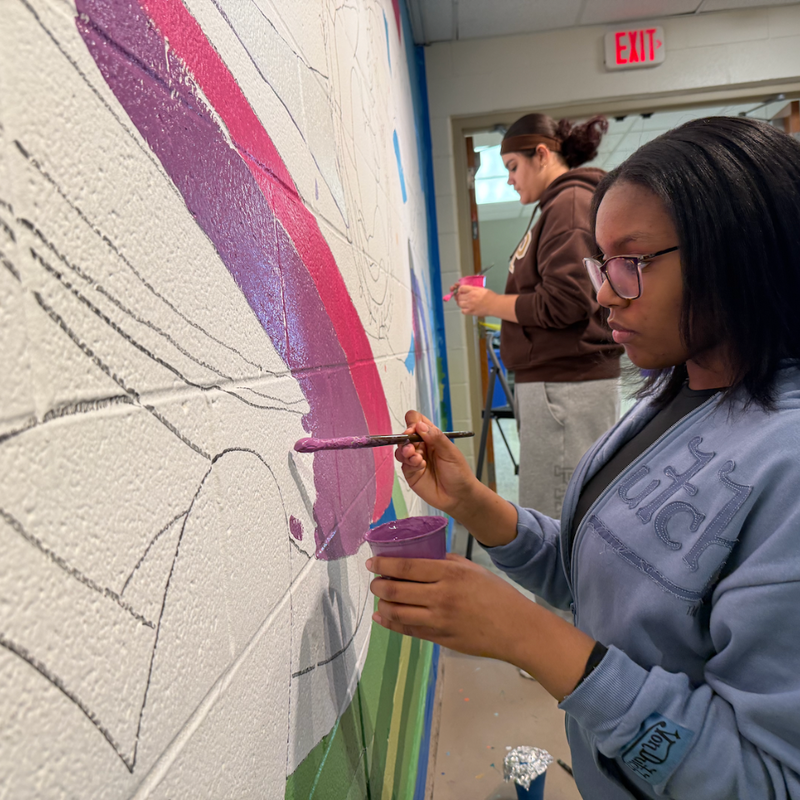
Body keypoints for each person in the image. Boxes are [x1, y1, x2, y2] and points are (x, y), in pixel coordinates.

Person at [369, 117, 800, 799]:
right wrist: (475, 504)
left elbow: (764, 781)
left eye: (634, 263)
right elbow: (601, 576)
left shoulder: (787, 469)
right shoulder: (676, 394)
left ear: (739, 252)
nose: (602, 294)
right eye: (603, 265)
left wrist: (531, 637)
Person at [451, 113, 622, 518]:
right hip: (558, 384)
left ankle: (566, 586)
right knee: (557, 506)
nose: (510, 179)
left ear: (541, 155)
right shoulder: (559, 206)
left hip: (565, 388)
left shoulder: (570, 205)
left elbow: (566, 302)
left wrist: (489, 303)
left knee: (555, 514)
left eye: (513, 166)